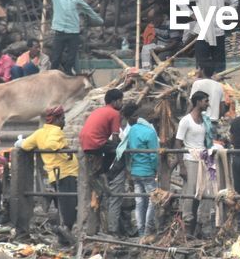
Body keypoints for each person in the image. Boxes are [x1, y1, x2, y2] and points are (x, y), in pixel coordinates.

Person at [20, 0, 103, 76]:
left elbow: (87, 9)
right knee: (56, 58)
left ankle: (70, 76)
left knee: (71, 58)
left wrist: (99, 20)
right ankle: (53, 78)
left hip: (73, 32)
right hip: (60, 31)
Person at [20, 105, 77, 231]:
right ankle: (65, 232)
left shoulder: (39, 133)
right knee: (69, 206)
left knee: (62, 205)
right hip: (66, 173)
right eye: (62, 118)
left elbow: (24, 145)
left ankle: (62, 230)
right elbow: (51, 144)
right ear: (57, 119)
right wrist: (65, 148)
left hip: (55, 174)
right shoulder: (56, 131)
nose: (64, 121)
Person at [178, 0, 238, 78]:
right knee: (202, 60)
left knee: (219, 61)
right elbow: (181, 1)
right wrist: (192, 14)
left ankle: (220, 83)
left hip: (218, 30)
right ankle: (201, 83)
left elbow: (234, 2)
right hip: (203, 31)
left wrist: (226, 14)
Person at [82, 89, 126, 233]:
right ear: (115, 101)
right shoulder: (114, 113)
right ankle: (109, 173)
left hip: (86, 143)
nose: (122, 103)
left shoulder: (99, 111)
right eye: (121, 100)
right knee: (121, 149)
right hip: (96, 144)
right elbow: (115, 137)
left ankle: (105, 172)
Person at [175, 90, 216, 235]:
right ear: (198, 102)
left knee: (207, 190)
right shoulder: (186, 121)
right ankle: (187, 223)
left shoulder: (205, 120)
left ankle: (202, 222)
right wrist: (181, 166)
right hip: (190, 159)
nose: (207, 104)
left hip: (204, 157)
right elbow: (178, 143)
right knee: (190, 191)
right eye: (205, 101)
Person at [118, 101, 160, 236]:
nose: (154, 117)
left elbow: (128, 151)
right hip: (147, 171)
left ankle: (141, 231)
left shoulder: (133, 130)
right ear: (147, 116)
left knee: (140, 202)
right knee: (153, 200)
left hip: (135, 171)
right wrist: (155, 170)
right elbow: (154, 155)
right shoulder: (150, 132)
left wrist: (130, 169)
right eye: (152, 115)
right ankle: (148, 229)